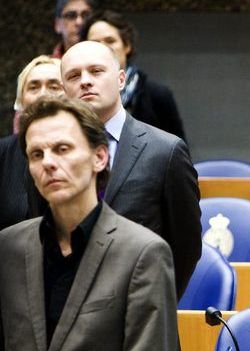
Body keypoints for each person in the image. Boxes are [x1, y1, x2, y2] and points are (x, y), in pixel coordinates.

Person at [0, 95, 177, 351]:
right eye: (37, 154)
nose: (48, 163)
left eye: (62, 149)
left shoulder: (143, 253)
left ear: (99, 157)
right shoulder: (8, 247)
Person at [60, 40, 201, 298]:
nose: (85, 81)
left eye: (96, 71)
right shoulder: (51, 156)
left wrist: (154, 304)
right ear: (63, 89)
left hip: (140, 313)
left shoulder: (165, 151)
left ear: (121, 79)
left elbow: (187, 247)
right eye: (73, 76)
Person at [81, 10, 187, 140]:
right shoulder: (81, 92)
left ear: (127, 46)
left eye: (110, 41)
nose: (103, 48)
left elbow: (177, 150)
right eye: (95, 43)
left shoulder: (158, 95)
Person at [1, 56, 63, 231]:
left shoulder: (89, 147)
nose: (43, 94)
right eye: (33, 87)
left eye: (54, 86)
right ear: (20, 101)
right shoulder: (3, 153)